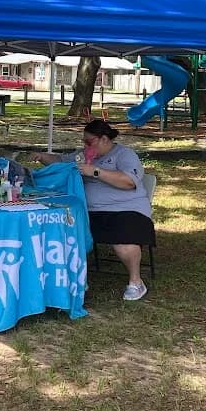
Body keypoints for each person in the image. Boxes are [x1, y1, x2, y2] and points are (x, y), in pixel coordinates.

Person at [31, 119, 154, 301]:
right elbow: (62, 161)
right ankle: (74, 277)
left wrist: (95, 171)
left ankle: (136, 282)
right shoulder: (84, 156)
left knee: (123, 241)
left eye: (89, 142)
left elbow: (129, 182)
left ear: (104, 139)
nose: (85, 146)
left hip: (127, 210)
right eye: (84, 142)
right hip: (90, 211)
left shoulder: (124, 154)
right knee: (60, 228)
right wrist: (42, 157)